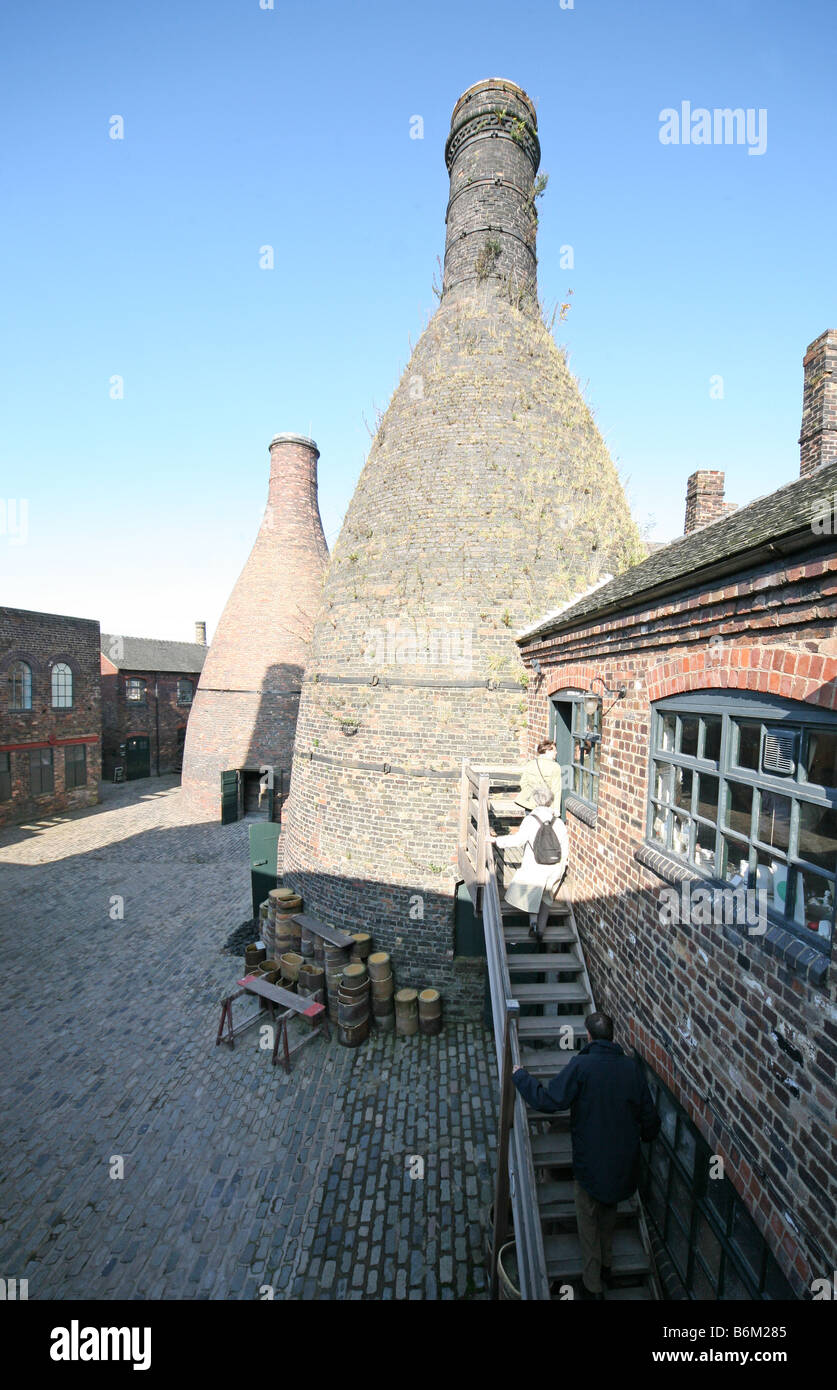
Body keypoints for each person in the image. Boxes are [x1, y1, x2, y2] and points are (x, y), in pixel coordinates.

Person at [512, 1012, 661, 1299]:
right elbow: (651, 1121)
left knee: (588, 1225)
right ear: (612, 1036)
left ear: (589, 1037)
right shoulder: (630, 1069)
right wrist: (639, 1138)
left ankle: (593, 1287)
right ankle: (607, 1267)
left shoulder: (582, 1066)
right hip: (622, 1168)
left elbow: (550, 1100)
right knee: (608, 1218)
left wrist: (521, 1077)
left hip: (591, 1166)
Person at [490, 787, 569, 939]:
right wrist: (562, 866)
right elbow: (564, 848)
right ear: (550, 801)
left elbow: (517, 840)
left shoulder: (530, 820)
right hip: (554, 866)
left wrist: (496, 840)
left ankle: (533, 923)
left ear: (535, 801)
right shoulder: (559, 823)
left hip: (535, 866)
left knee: (532, 893)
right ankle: (541, 929)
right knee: (547, 896)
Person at [516, 738, 564, 815]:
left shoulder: (530, 764)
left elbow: (523, 783)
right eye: (554, 750)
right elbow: (556, 790)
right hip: (547, 806)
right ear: (548, 751)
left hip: (530, 804)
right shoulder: (555, 767)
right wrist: (556, 811)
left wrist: (531, 795)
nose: (556, 752)